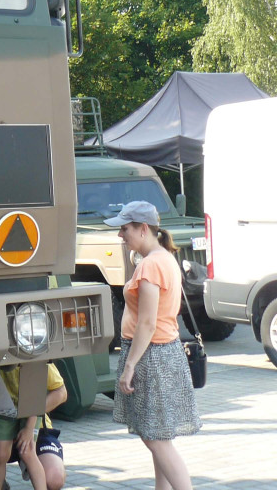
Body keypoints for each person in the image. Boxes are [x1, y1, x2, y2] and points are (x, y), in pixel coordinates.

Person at [108, 200, 200, 490]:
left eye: (125, 229)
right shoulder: (163, 259)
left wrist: (130, 366)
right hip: (163, 353)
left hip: (152, 357)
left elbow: (147, 323)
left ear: (143, 229)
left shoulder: (150, 265)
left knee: (156, 439)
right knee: (159, 437)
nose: (121, 236)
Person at [0, 362, 68, 490]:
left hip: (32, 419)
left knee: (31, 455)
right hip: (3, 415)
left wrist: (29, 428)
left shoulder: (33, 359)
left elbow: (60, 392)